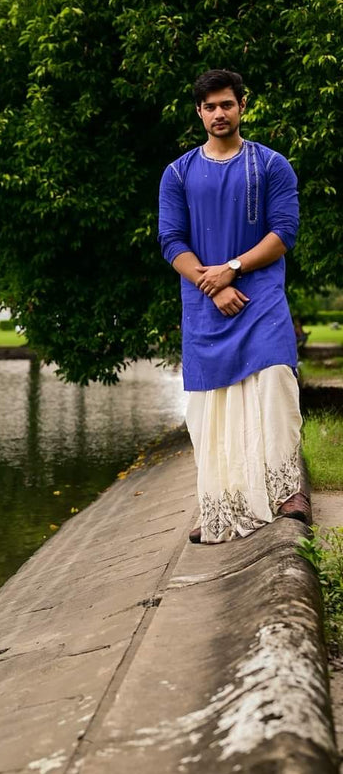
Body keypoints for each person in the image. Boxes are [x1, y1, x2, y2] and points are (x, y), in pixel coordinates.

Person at [158, 68, 308, 545]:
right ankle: (220, 503)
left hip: (259, 293)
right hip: (205, 301)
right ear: (199, 113)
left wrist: (234, 269)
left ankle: (287, 492)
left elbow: (283, 233)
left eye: (227, 104)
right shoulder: (178, 173)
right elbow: (171, 239)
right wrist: (212, 281)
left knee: (275, 381)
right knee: (211, 408)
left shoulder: (270, 165)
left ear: (242, 105)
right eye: (209, 107)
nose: (218, 113)